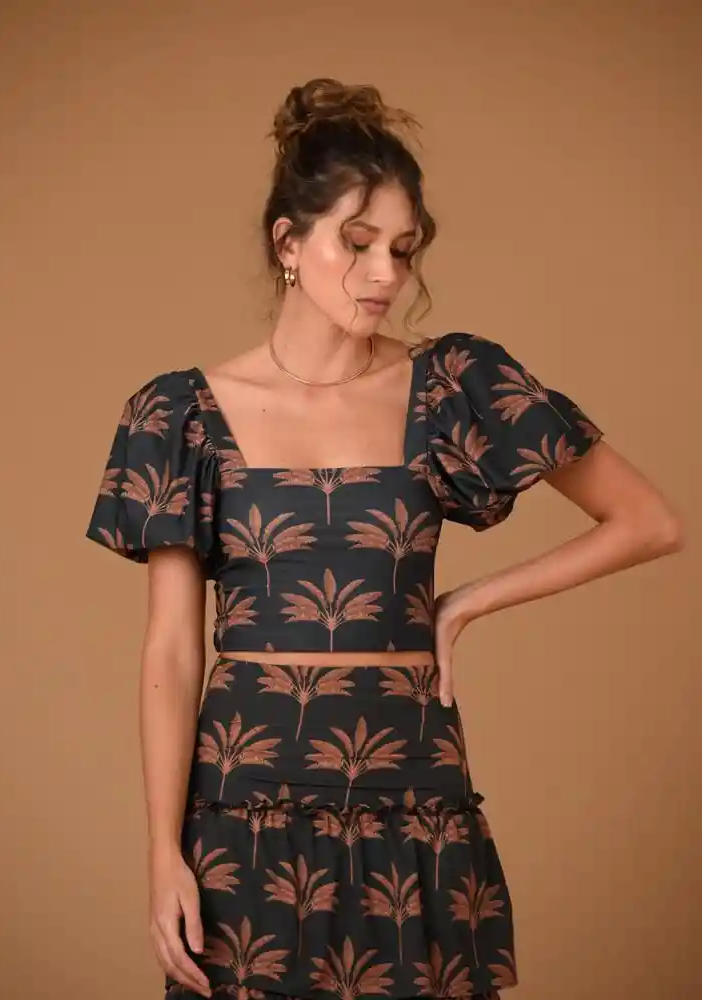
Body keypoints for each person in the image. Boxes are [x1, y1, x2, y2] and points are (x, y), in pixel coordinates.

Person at [85, 78, 684, 1000]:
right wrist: (163, 851)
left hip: (413, 802)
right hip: (246, 806)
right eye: (356, 243)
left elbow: (650, 522)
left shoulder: (451, 384)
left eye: (402, 250)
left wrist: (468, 601)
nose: (384, 275)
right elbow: (170, 647)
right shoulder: (180, 414)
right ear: (289, 244)